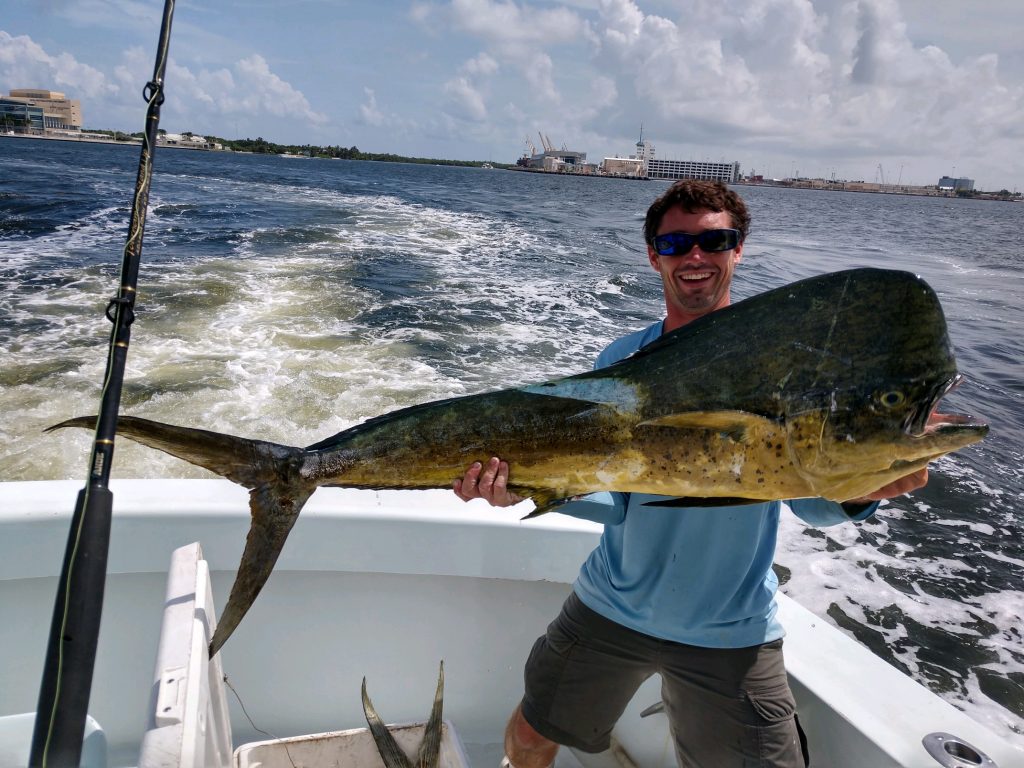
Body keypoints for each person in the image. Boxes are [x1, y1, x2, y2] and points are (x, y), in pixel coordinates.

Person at [453, 180, 928, 768]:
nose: (695, 257)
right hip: (612, 605)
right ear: (655, 255)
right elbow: (616, 494)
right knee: (531, 737)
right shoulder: (623, 360)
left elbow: (813, 502)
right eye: (675, 243)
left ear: (738, 249)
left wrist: (862, 493)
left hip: (731, 628)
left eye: (714, 241)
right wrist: (524, 485)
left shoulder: (785, 368)